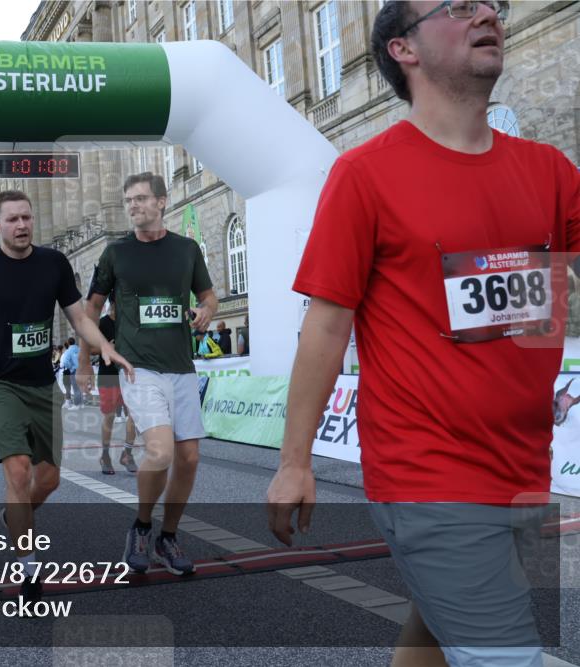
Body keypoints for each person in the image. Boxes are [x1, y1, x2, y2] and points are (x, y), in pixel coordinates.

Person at [267, 2, 580, 666]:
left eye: (489, 3)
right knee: (502, 651)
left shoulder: (550, 171)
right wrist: (294, 461)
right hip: (425, 473)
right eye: (459, 6)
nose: (488, 13)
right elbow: (325, 326)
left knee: (434, 630)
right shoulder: (364, 175)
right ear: (404, 50)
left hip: (523, 466)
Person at [0, 189, 132, 603]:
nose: (22, 225)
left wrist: (105, 348)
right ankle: (29, 573)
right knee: (19, 471)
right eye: (12, 220)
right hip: (1, 385)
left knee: (49, 480)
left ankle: (13, 516)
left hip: (43, 385)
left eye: (26, 217)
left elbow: (79, 316)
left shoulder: (54, 264)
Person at [79, 171, 217, 576]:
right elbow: (90, 310)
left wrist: (208, 310)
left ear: (161, 202)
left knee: (189, 457)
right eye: (129, 200)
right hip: (137, 366)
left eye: (141, 198)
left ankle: (167, 536)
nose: (134, 205)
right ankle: (141, 527)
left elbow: (208, 295)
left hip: (181, 367)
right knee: (160, 451)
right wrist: (86, 359)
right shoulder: (115, 253)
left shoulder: (187, 249)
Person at [91, 299, 138, 475]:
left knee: (134, 414)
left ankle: (127, 453)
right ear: (113, 303)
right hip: (108, 375)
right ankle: (104, 456)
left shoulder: (128, 322)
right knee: (109, 417)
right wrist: (107, 347)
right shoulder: (103, 323)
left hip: (126, 374)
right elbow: (91, 350)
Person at [60, 337, 80, 408]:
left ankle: (76, 404)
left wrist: (71, 367)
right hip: (80, 369)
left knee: (74, 388)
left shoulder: (68, 351)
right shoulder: (79, 349)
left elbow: (64, 362)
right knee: (79, 387)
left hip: (72, 370)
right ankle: (80, 404)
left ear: (68, 343)